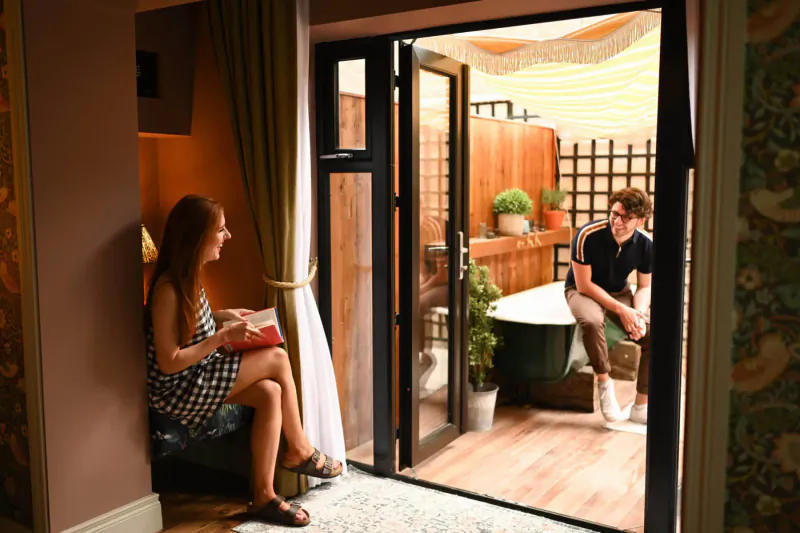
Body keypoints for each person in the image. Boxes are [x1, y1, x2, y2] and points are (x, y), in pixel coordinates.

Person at [145, 195, 342, 527]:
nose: (228, 236)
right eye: (220, 230)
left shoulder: (189, 275)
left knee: (269, 393)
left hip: (195, 378)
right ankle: (299, 450)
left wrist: (224, 316)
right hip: (177, 392)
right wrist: (223, 336)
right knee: (277, 359)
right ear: (197, 237)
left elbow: (190, 325)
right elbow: (169, 362)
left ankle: (263, 495)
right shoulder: (167, 289)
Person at [564, 187, 653, 425]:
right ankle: (604, 384)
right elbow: (584, 284)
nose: (617, 221)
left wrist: (638, 314)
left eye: (626, 217)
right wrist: (621, 309)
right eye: (614, 214)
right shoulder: (587, 234)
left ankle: (641, 406)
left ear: (641, 220)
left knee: (650, 334)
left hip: (619, 292)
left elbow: (645, 286)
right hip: (583, 291)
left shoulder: (646, 244)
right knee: (592, 321)